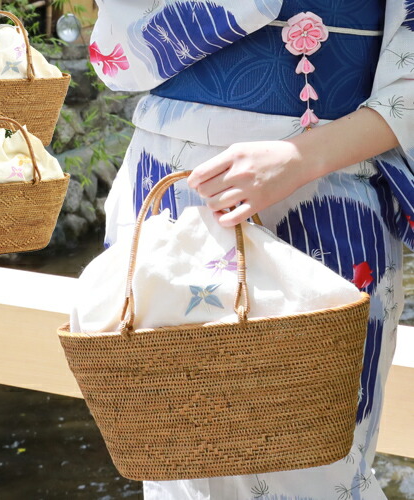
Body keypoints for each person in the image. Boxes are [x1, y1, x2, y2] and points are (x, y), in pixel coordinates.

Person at [88, 1, 413, 498]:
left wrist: (304, 156)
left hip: (320, 184)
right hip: (166, 180)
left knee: (317, 464)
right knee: (173, 455)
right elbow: (122, 41)